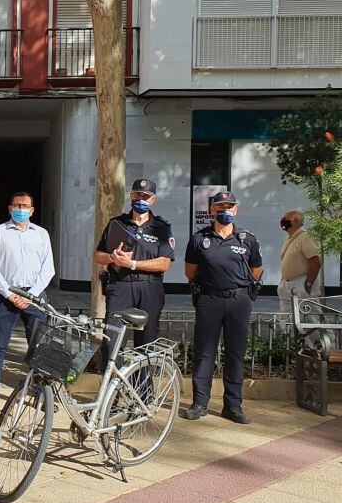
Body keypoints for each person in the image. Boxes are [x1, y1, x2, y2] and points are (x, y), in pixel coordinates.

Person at [183, 191, 263, 424]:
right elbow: (190, 272)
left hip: (239, 301)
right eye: (220, 206)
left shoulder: (247, 239)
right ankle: (200, 403)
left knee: (235, 353)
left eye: (230, 206)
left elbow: (256, 270)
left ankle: (233, 405)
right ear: (212, 210)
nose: (225, 210)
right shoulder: (199, 239)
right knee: (204, 353)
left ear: (236, 210)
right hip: (209, 300)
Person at [0, 192, 55, 411]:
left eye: (25, 206)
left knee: (39, 346)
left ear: (32, 210)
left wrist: (32, 295)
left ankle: (41, 392)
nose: (21, 209)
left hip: (35, 297)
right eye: (17, 205)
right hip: (5, 296)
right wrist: (10, 294)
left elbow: (48, 269)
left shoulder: (41, 234)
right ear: (10, 209)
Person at [92, 179, 174, 356]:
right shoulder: (116, 223)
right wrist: (112, 257)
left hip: (150, 287)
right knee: (112, 341)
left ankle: (143, 384)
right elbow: (98, 255)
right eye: (137, 195)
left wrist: (133, 264)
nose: (141, 199)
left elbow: (165, 263)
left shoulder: (162, 227)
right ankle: (115, 382)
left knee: (146, 344)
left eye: (146, 196)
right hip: (121, 286)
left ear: (153, 200)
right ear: (131, 196)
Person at [279, 210, 323, 310]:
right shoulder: (291, 238)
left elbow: (315, 262)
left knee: (309, 317)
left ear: (295, 221)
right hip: (288, 285)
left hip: (301, 283)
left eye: (285, 219)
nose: (282, 220)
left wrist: (308, 284)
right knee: (287, 320)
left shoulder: (305, 237)